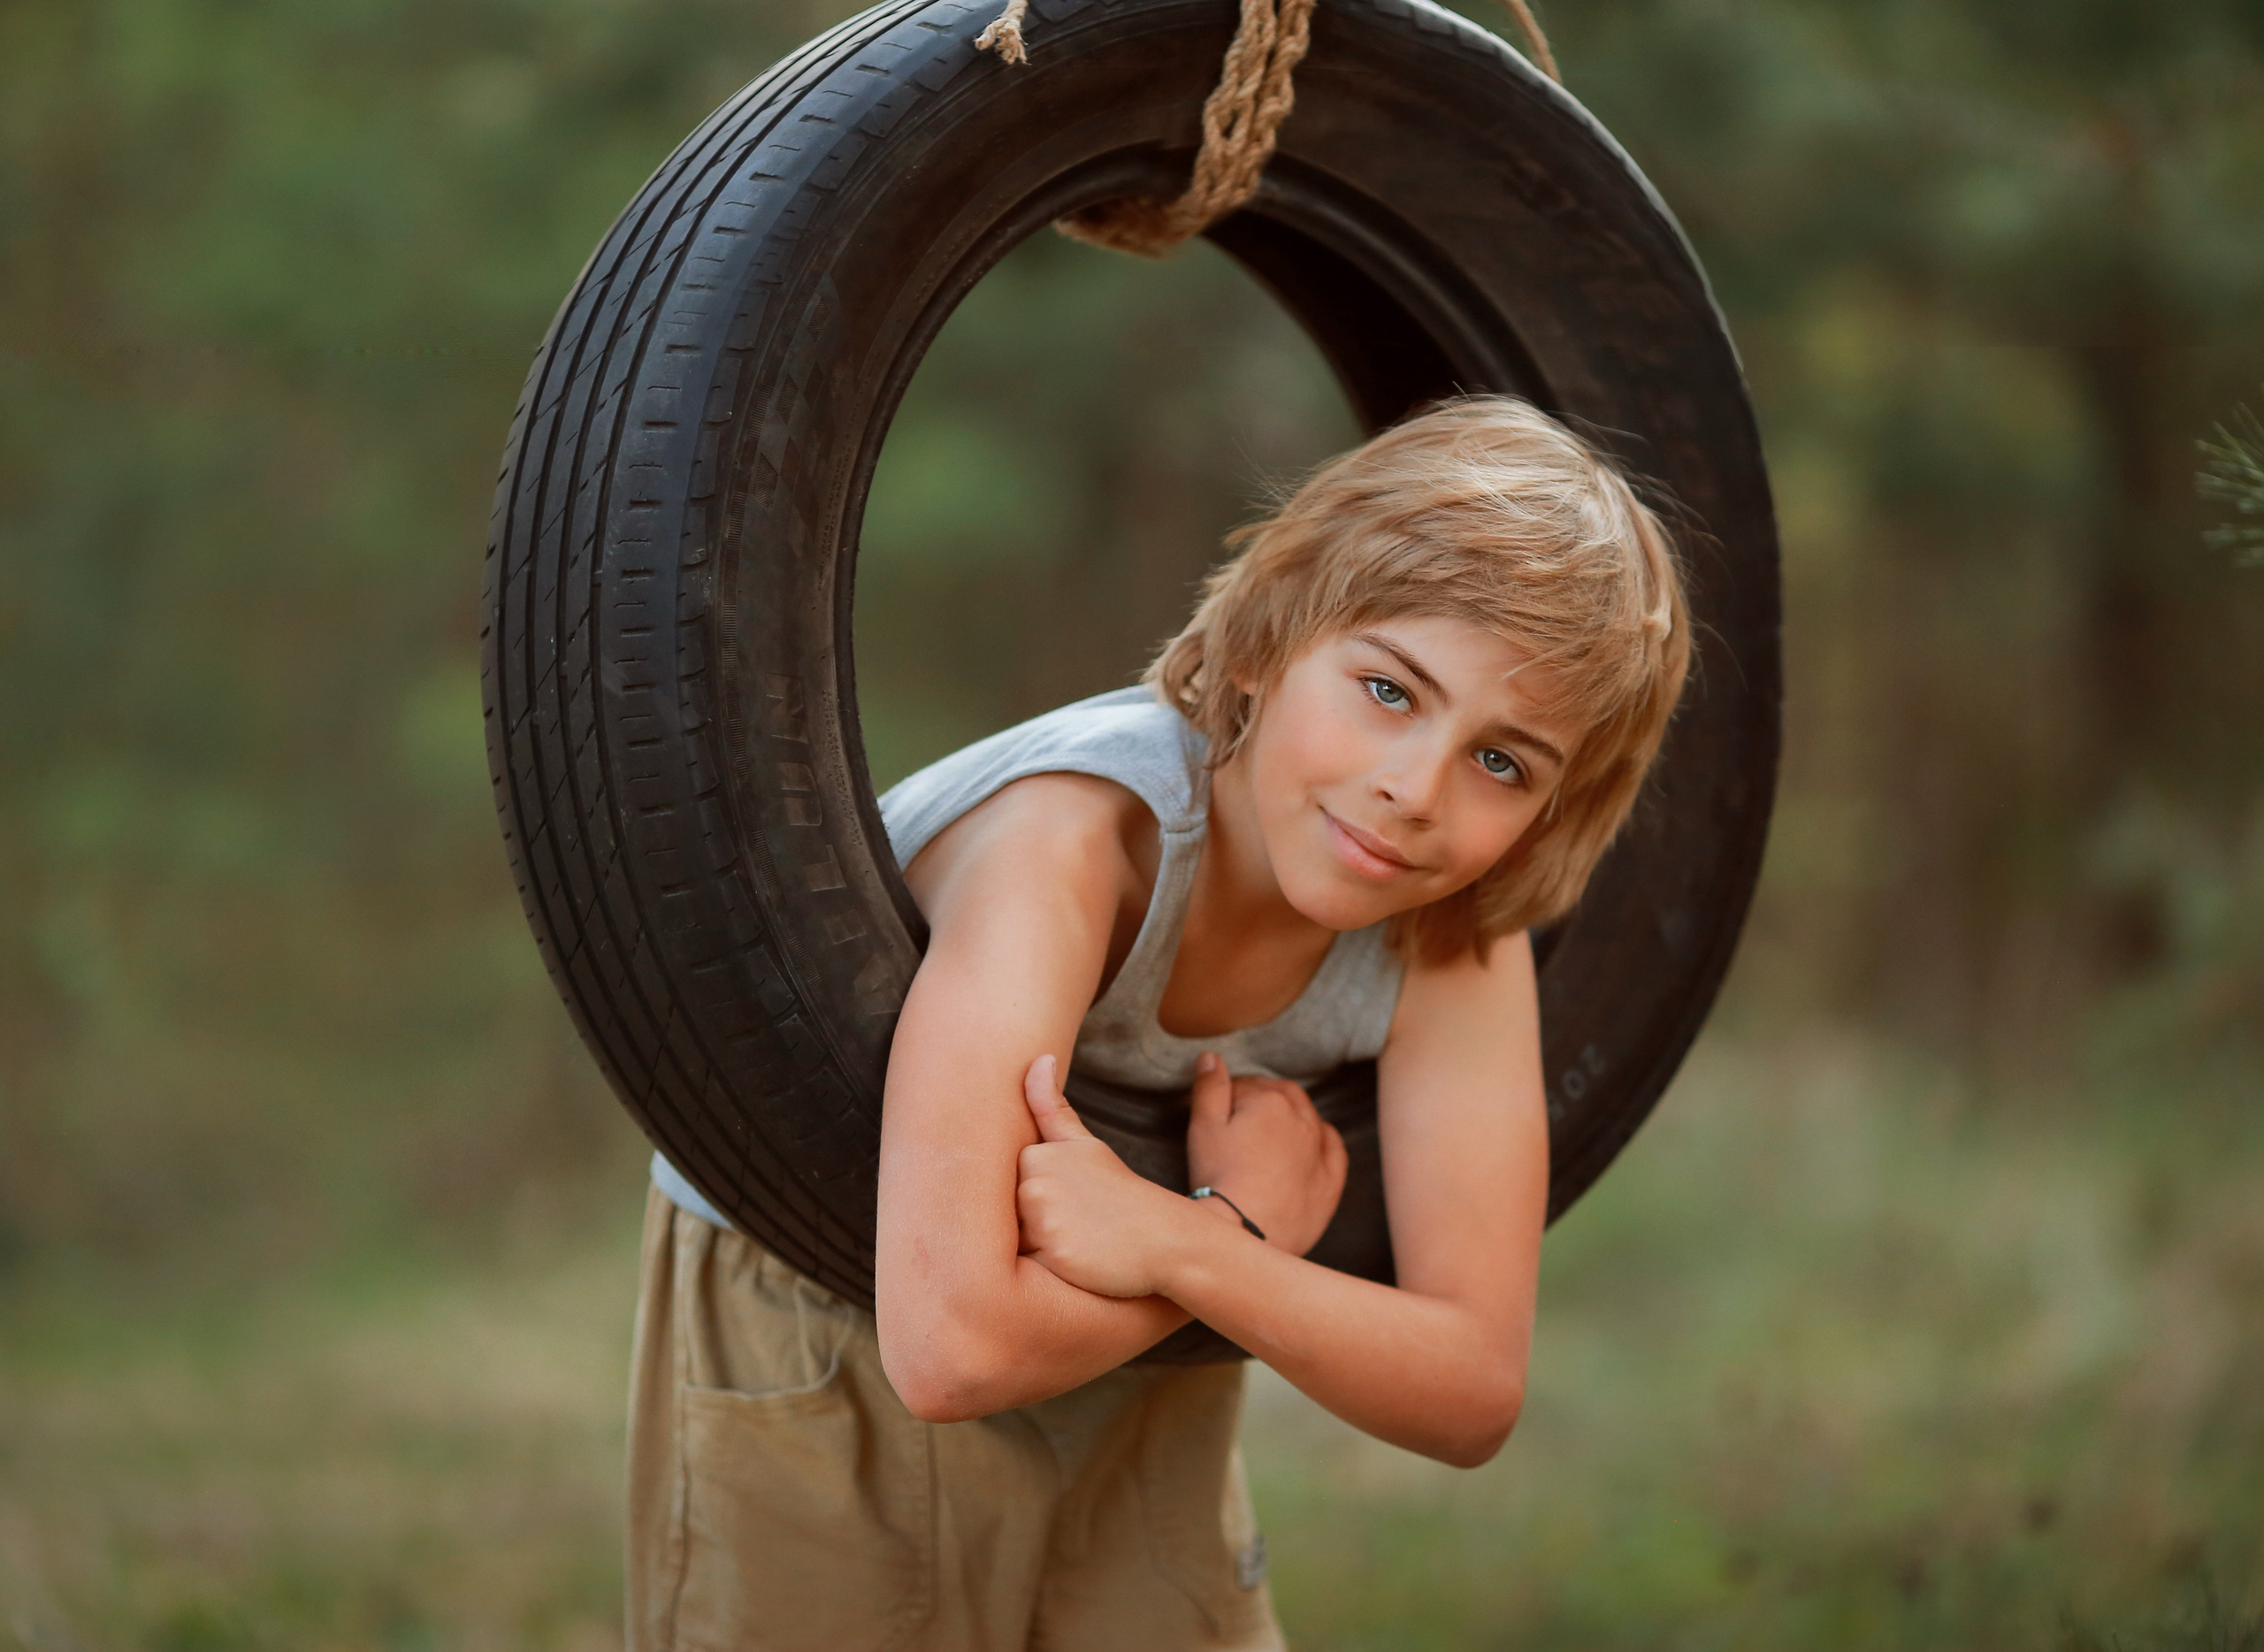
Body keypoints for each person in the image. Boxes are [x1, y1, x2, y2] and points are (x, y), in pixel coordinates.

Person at [626, 394, 1690, 1652]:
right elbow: (951, 1350)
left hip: (1141, 1355)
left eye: (1505, 763)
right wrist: (1237, 1229)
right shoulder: (1070, 846)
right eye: (1389, 691)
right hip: (829, 1318)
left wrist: (1195, 1256)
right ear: (1265, 641)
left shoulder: (1452, 928)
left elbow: (1471, 1390)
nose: (1416, 792)